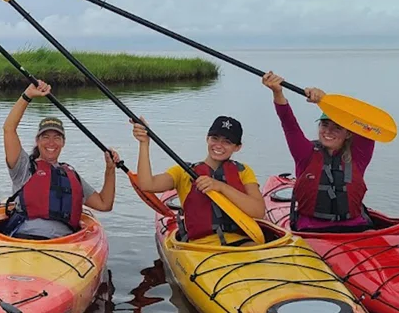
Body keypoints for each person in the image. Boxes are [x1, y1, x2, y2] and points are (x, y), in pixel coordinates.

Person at [1, 81, 118, 239]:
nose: (51, 143)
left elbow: (105, 204)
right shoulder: (23, 167)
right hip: (24, 238)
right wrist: (27, 95)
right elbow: (9, 128)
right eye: (46, 137)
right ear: (37, 141)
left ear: (63, 142)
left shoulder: (71, 175)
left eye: (57, 137)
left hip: (64, 244)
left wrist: (110, 169)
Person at [262, 71, 375, 231]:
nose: (328, 131)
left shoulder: (358, 156)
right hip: (311, 229)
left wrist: (326, 100)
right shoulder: (305, 153)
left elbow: (369, 124)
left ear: (349, 133)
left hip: (356, 228)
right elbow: (289, 124)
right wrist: (277, 92)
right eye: (324, 125)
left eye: (337, 128)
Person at [132, 115, 265, 242]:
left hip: (242, 244)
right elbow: (147, 185)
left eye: (227, 142)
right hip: (201, 249)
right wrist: (144, 144)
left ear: (237, 147)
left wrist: (221, 187)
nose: (219, 145)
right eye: (215, 138)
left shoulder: (243, 171)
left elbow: (258, 211)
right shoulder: (183, 172)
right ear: (207, 138)